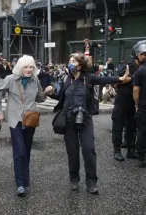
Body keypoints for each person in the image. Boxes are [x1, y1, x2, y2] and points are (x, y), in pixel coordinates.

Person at [50, 53, 129, 195]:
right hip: (69, 120)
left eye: (72, 61)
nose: (69, 63)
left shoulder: (88, 78)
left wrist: (120, 79)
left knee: (88, 150)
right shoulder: (66, 79)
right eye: (69, 61)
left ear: (80, 65)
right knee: (72, 152)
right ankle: (74, 179)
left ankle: (91, 182)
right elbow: (60, 96)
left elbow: (104, 79)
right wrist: (49, 92)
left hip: (85, 118)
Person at [0, 55, 54, 196]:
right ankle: (20, 184)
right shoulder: (10, 79)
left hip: (30, 119)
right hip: (15, 120)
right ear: (20, 68)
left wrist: (46, 92)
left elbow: (39, 98)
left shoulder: (35, 80)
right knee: (19, 151)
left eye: (31, 67)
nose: (29, 69)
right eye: (26, 67)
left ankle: (25, 180)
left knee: (26, 150)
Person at [111, 48, 140, 161]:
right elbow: (116, 80)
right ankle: (117, 150)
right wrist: (132, 77)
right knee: (118, 124)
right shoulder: (126, 66)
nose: (144, 56)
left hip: (135, 100)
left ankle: (131, 150)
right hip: (122, 98)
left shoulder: (143, 67)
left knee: (132, 126)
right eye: (143, 54)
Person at [132, 40, 146, 167]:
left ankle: (141, 158)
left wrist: (136, 105)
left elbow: (136, 90)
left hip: (143, 104)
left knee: (142, 130)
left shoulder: (140, 71)